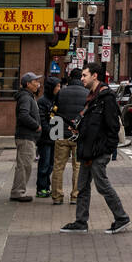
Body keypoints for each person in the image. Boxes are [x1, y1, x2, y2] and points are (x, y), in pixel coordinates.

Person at [61, 62, 130, 233]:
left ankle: (121, 218)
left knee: (102, 185)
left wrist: (107, 149)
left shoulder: (106, 98)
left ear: (95, 76)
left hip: (98, 151)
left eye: (85, 75)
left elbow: (113, 127)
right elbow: (92, 124)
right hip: (87, 149)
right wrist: (79, 128)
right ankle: (81, 222)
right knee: (82, 187)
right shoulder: (92, 97)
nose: (82, 78)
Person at [51, 68, 88, 205]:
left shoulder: (61, 92)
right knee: (78, 166)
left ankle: (57, 196)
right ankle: (75, 196)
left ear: (70, 77)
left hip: (61, 133)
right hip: (79, 135)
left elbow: (55, 112)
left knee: (58, 166)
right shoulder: (86, 93)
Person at [10, 72, 42, 203]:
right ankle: (18, 192)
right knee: (24, 165)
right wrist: (36, 126)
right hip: (26, 136)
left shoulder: (28, 96)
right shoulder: (25, 97)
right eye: (35, 81)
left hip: (27, 136)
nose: (37, 83)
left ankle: (18, 191)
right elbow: (24, 115)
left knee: (24, 165)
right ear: (28, 84)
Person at [36, 76, 59, 198]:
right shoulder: (42, 101)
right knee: (44, 164)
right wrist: (50, 131)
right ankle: (41, 188)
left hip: (54, 137)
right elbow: (42, 119)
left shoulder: (56, 100)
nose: (59, 89)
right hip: (45, 138)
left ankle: (46, 186)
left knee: (51, 164)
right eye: (57, 86)